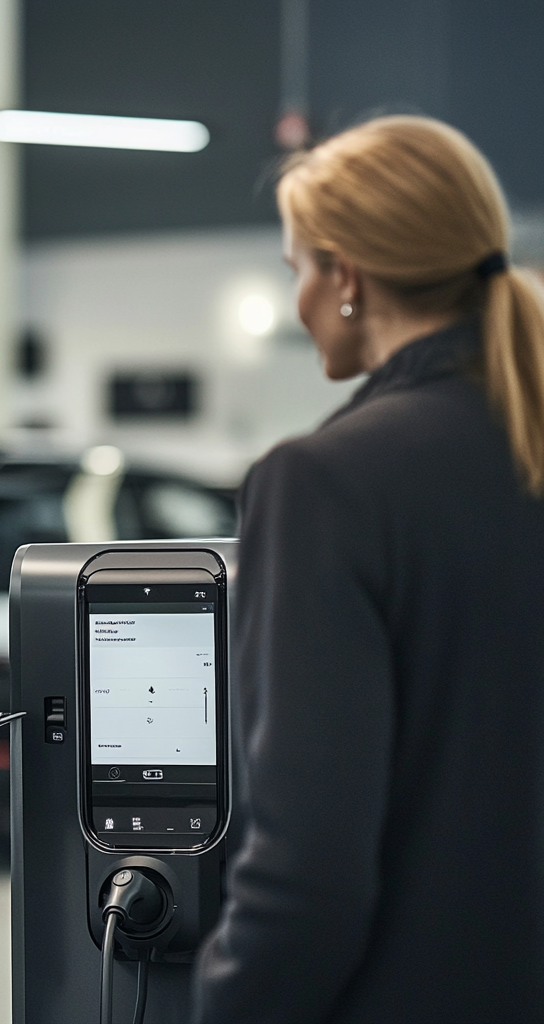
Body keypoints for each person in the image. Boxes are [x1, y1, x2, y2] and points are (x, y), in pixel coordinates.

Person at [192, 116, 544, 1023]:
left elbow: (306, 877)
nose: (298, 300)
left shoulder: (326, 481)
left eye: (296, 270)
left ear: (344, 276)